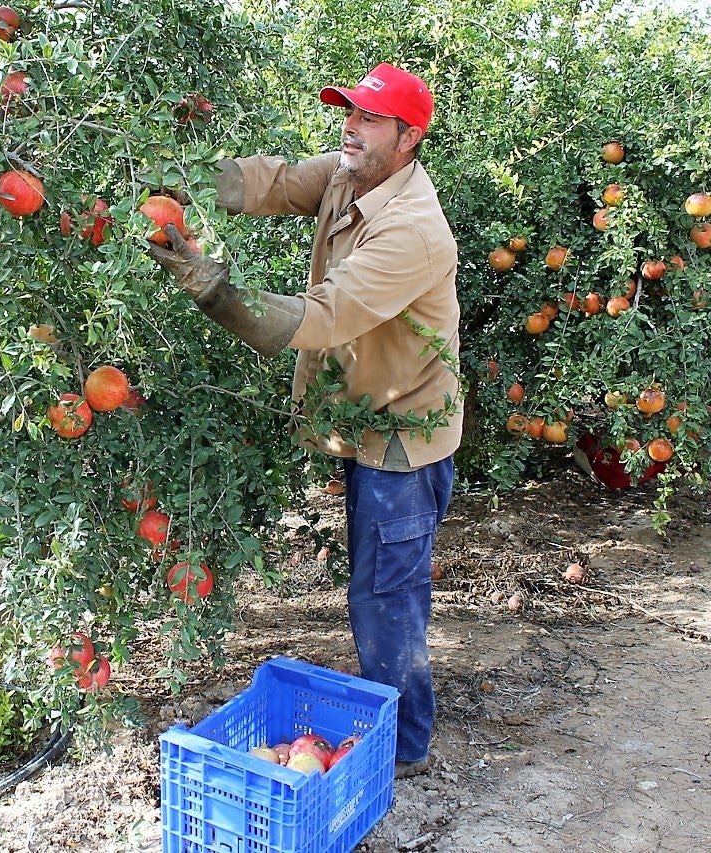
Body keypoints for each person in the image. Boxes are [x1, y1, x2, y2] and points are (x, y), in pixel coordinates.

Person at [146, 63, 462, 779]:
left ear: (409, 138)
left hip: (402, 438)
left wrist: (215, 291)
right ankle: (396, 723)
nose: (352, 127)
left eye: (371, 119)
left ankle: (406, 744)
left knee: (385, 595)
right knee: (377, 579)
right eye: (350, 112)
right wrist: (172, 175)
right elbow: (276, 181)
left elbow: (322, 317)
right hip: (361, 416)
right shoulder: (352, 173)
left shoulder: (413, 230)